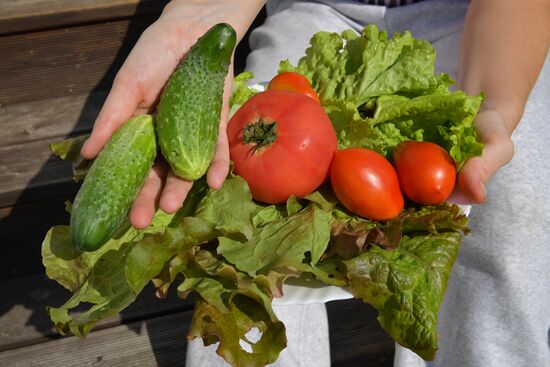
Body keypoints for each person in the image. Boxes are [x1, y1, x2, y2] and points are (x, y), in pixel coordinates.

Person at [81, 0, 550, 366]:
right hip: (310, 10)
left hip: (481, 22)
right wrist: (197, 18)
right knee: (236, 238)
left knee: (513, 208)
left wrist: (497, 105)